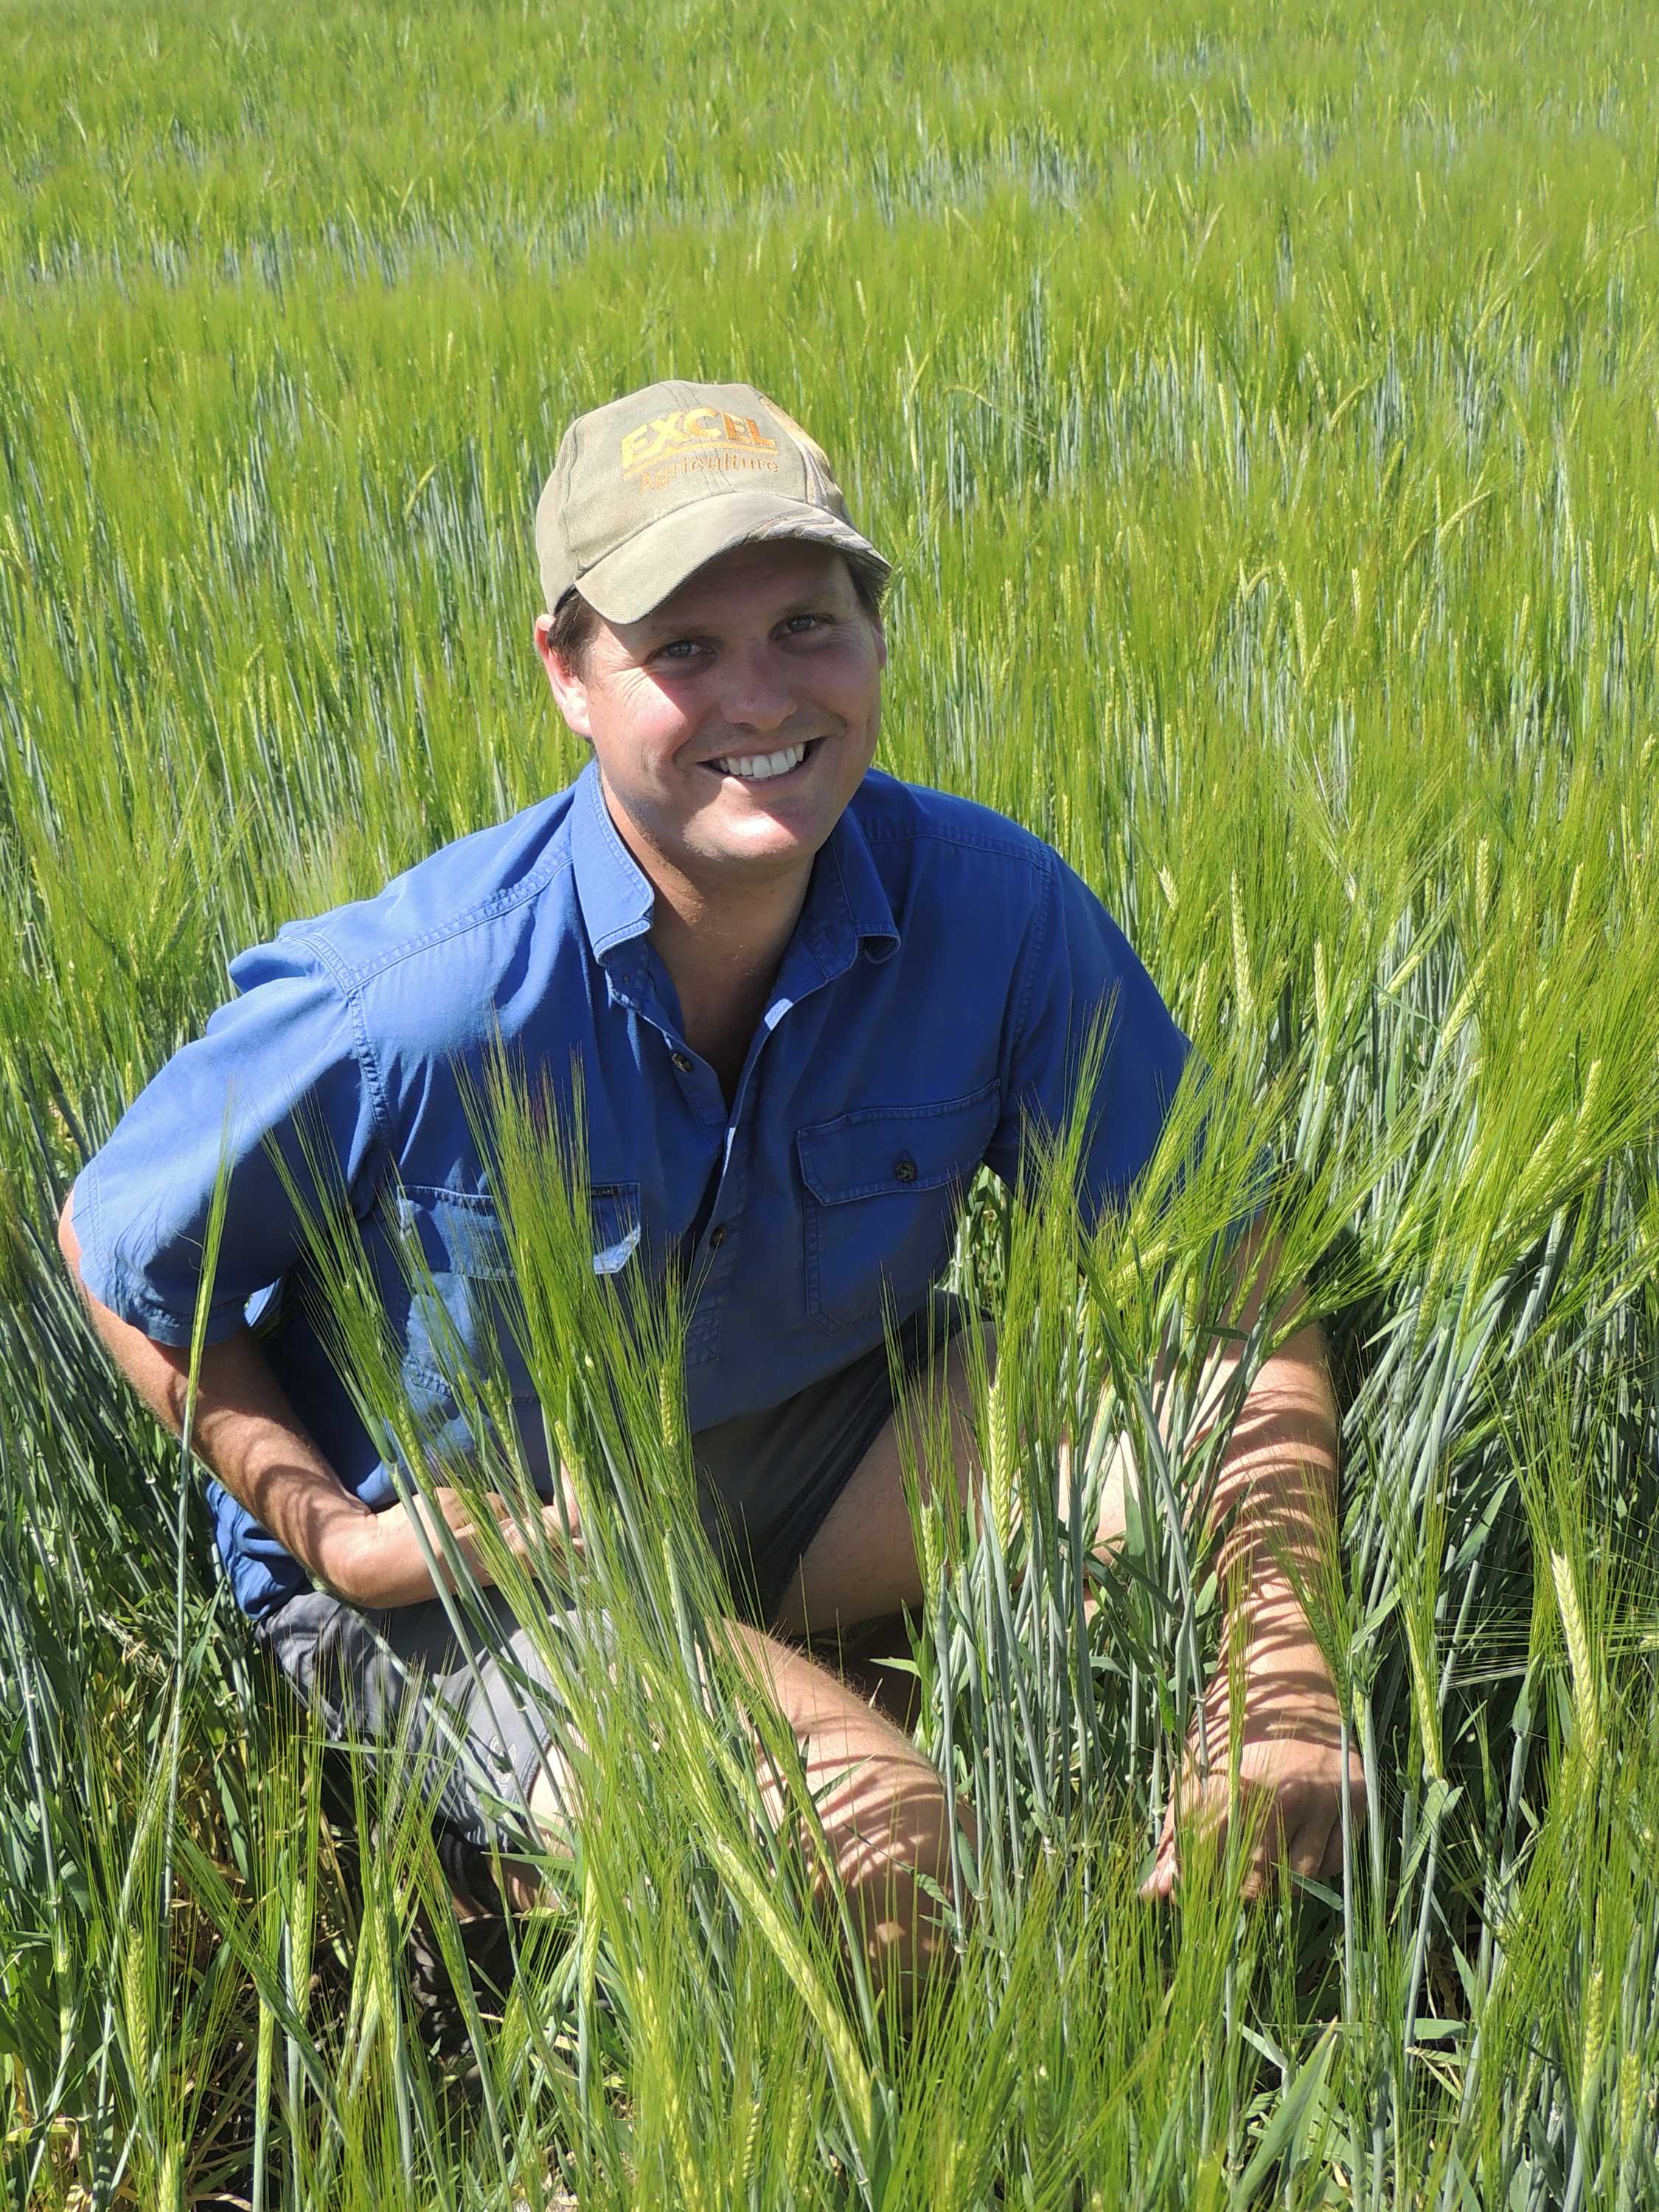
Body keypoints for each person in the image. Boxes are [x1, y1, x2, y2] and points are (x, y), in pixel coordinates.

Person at [58, 379, 1364, 2009]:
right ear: (568, 673)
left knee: (1192, 1406)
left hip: (803, 1461)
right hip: (491, 1557)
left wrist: (1281, 1657)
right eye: (682, 647)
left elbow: (1238, 1288)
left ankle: (856, 1736)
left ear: (874, 635)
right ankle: (560, 1846)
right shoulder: (419, 998)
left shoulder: (996, 911)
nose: (760, 696)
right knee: (889, 1849)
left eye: (807, 623)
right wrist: (341, 1537)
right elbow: (116, 1245)